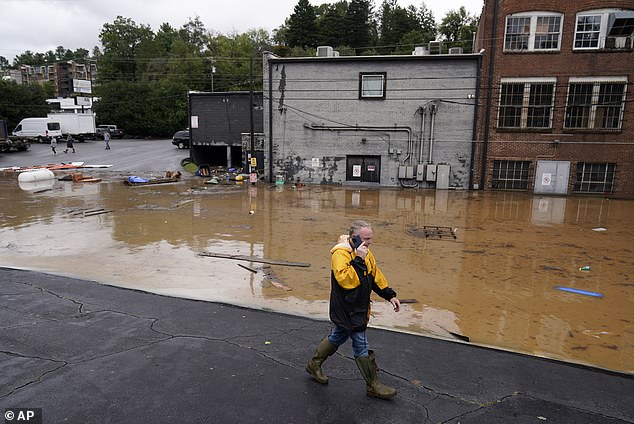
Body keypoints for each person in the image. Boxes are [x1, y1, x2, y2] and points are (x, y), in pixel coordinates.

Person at [306, 220, 401, 399]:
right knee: (361, 344)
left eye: (371, 238)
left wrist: (390, 295)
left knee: (338, 335)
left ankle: (314, 364)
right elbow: (347, 281)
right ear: (354, 238)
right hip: (346, 309)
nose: (370, 242)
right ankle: (372, 385)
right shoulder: (340, 254)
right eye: (366, 238)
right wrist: (358, 259)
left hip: (358, 308)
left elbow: (375, 276)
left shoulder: (367, 253)